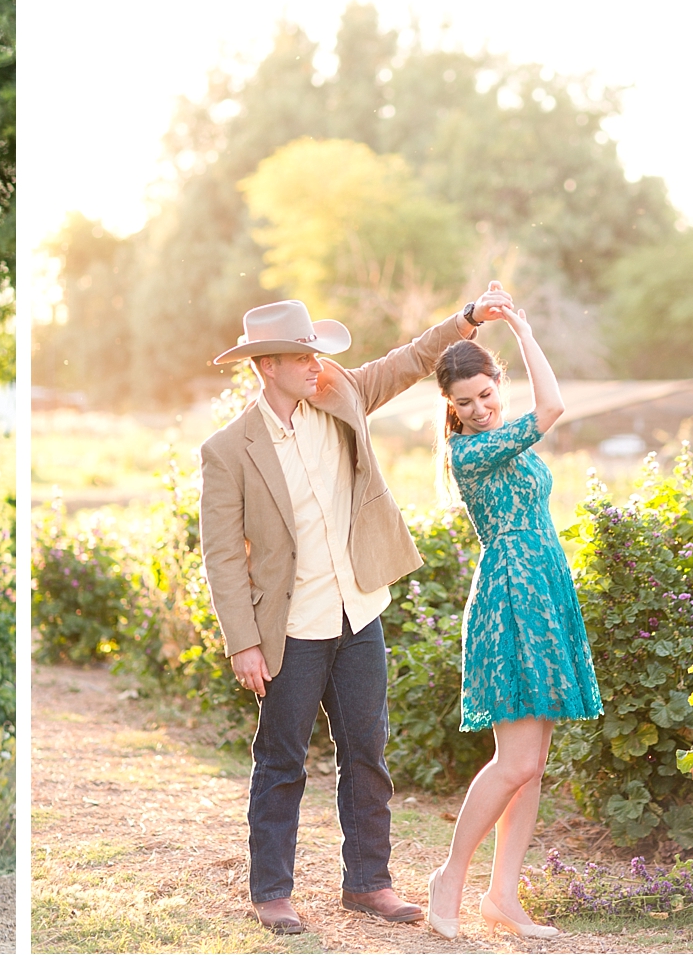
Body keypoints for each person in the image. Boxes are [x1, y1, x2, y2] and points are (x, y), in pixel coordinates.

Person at [200, 283, 515, 934]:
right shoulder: (229, 450)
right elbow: (223, 556)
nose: (315, 362)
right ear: (266, 365)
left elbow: (409, 359)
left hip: (357, 615)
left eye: (315, 351)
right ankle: (273, 892)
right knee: (281, 762)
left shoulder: (341, 393)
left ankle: (369, 882)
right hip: (288, 630)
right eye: (299, 355)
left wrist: (467, 320)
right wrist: (243, 643)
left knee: (367, 753)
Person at [424, 304, 602, 940]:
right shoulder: (469, 452)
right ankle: (449, 878)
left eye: (486, 394)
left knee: (532, 762)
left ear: (496, 385)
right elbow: (551, 409)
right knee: (516, 760)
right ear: (450, 406)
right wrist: (526, 330)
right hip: (509, 600)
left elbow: (542, 413)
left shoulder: (499, 436)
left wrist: (518, 333)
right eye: (464, 401)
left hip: (545, 591)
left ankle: (502, 896)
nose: (478, 408)